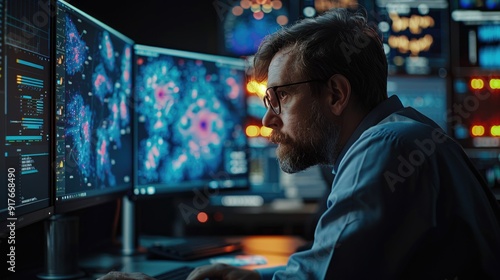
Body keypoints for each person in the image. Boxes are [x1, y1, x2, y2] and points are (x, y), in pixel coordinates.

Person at [99, 7, 500, 280]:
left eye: (279, 98)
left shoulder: (386, 147)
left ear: (336, 95)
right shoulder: (406, 133)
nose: (268, 119)